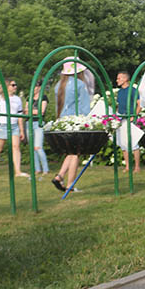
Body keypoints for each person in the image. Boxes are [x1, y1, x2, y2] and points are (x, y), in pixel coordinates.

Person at [52, 59, 93, 191]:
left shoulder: (59, 85)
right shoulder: (79, 84)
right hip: (75, 121)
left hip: (62, 122)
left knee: (70, 152)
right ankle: (70, 185)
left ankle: (59, 176)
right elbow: (84, 106)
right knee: (76, 153)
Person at [0, 80, 27, 178]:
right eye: (13, 85)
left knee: (16, 147)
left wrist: (22, 130)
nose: (15, 87)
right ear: (7, 86)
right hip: (1, 125)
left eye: (15, 85)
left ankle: (18, 171)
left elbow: (19, 116)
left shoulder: (17, 99)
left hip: (14, 126)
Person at [115, 71, 142, 173]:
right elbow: (119, 105)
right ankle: (127, 166)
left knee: (133, 142)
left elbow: (140, 104)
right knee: (123, 143)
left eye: (119, 78)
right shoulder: (120, 92)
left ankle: (137, 167)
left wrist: (134, 115)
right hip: (121, 118)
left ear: (125, 79)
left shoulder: (133, 90)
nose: (117, 80)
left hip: (130, 118)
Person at [29, 82, 50, 176]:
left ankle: (45, 169)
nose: (34, 88)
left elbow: (41, 112)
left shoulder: (43, 97)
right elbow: (26, 110)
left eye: (36, 86)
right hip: (29, 123)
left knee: (38, 147)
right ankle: (37, 169)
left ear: (39, 87)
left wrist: (30, 111)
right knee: (33, 149)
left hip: (38, 123)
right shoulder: (29, 98)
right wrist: (33, 111)